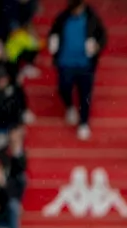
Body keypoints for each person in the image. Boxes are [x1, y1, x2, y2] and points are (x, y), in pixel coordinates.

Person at [48, 0, 107, 141]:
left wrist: (97, 46)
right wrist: (53, 44)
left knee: (85, 95)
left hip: (85, 64)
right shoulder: (62, 18)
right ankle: (69, 107)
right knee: (63, 87)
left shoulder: (92, 18)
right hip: (65, 63)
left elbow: (103, 35)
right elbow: (53, 33)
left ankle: (84, 123)